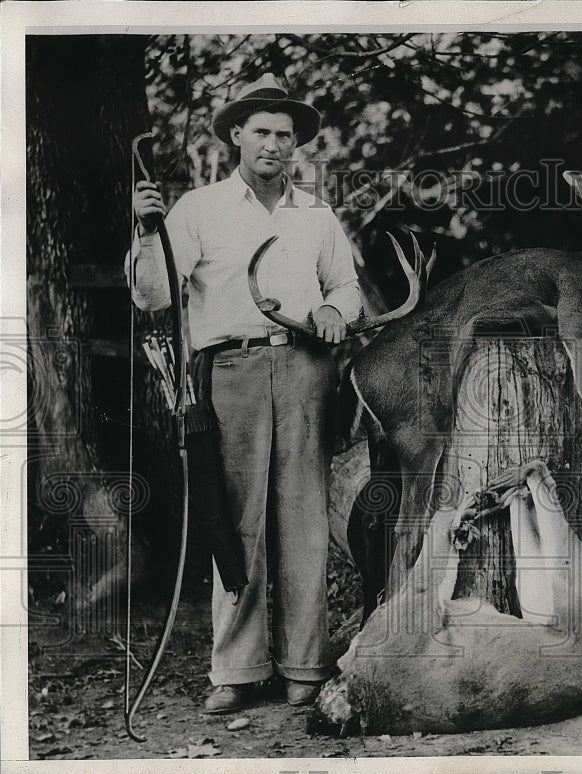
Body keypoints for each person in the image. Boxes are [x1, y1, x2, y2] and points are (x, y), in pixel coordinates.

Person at [127, 73, 362, 712]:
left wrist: (337, 311)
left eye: (285, 135)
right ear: (237, 135)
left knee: (304, 519)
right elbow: (150, 296)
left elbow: (346, 286)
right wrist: (148, 233)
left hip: (307, 371)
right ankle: (237, 670)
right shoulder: (198, 210)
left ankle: (305, 667)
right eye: (261, 131)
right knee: (236, 522)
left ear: (297, 145)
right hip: (228, 373)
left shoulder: (315, 213)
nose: (274, 145)